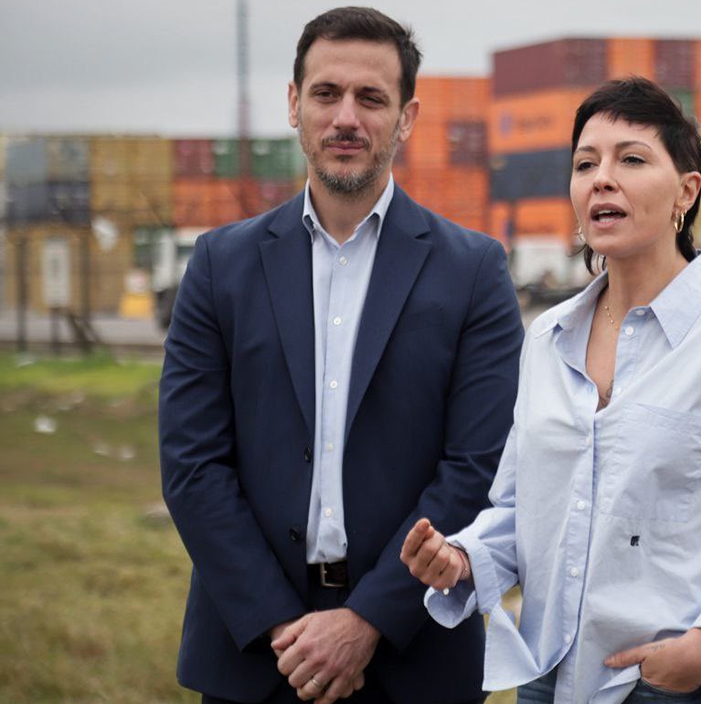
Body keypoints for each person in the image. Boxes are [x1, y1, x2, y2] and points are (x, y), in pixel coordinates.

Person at [401, 77, 701, 704]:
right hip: (547, 677)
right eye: (585, 164)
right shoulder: (548, 340)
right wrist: (460, 558)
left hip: (668, 686)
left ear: (686, 191)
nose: (602, 180)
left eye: (632, 160)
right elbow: (523, 510)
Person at [158, 7, 523, 704]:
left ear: (407, 118)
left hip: (416, 654)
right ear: (294, 104)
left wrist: (367, 621)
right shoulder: (219, 266)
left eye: (371, 98)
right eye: (326, 94)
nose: (346, 118)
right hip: (255, 655)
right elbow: (192, 464)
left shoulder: (474, 271)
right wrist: (281, 626)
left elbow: (477, 467)